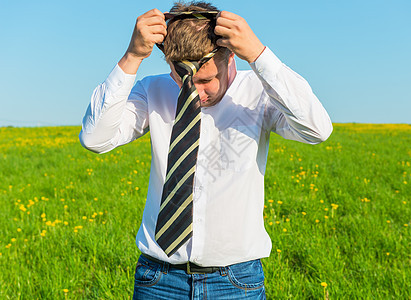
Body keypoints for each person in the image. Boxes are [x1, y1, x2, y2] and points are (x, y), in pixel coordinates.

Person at [79, 1, 333, 299]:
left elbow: (316, 130)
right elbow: (96, 138)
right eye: (183, 80)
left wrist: (259, 55)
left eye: (205, 80)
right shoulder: (152, 91)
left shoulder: (260, 93)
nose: (195, 92)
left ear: (232, 59)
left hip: (235, 281)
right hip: (158, 280)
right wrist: (132, 56)